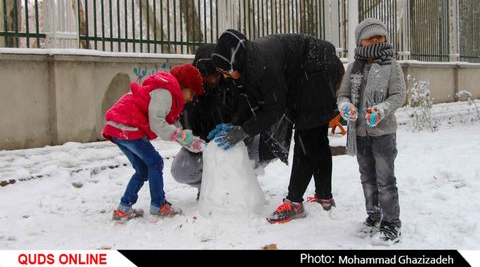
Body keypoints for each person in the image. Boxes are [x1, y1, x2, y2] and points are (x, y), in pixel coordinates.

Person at [209, 29, 345, 223]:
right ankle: (325, 196)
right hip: (312, 66)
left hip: (317, 68)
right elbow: (248, 100)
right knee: (317, 138)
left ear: (235, 61)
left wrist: (243, 131)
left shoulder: (262, 66)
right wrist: (234, 125)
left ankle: (294, 203)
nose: (225, 76)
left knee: (307, 136)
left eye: (226, 70)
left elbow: (274, 109)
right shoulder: (246, 62)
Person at [102, 63, 206, 221]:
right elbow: (157, 123)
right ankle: (158, 206)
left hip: (118, 127)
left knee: (142, 169)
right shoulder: (166, 92)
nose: (191, 99)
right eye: (191, 93)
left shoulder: (169, 94)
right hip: (128, 126)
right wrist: (182, 137)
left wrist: (192, 143)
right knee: (155, 162)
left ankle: (123, 209)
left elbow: (174, 128)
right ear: (184, 86)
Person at [337, 18, 406, 245]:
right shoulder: (353, 68)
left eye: (380, 36)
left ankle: (391, 223)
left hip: (383, 133)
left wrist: (381, 110)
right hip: (360, 134)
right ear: (360, 41)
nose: (376, 40)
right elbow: (343, 95)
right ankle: (374, 216)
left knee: (385, 180)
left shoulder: (391, 66)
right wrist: (346, 107)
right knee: (367, 178)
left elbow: (398, 96)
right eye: (371, 37)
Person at [170, 45, 271, 199]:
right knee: (180, 170)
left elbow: (249, 113)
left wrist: (237, 129)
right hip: (205, 148)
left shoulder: (233, 82)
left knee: (273, 142)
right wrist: (207, 143)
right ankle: (209, 188)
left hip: (239, 141)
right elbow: (188, 133)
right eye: (207, 75)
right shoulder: (188, 93)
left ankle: (244, 182)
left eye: (216, 74)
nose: (213, 79)